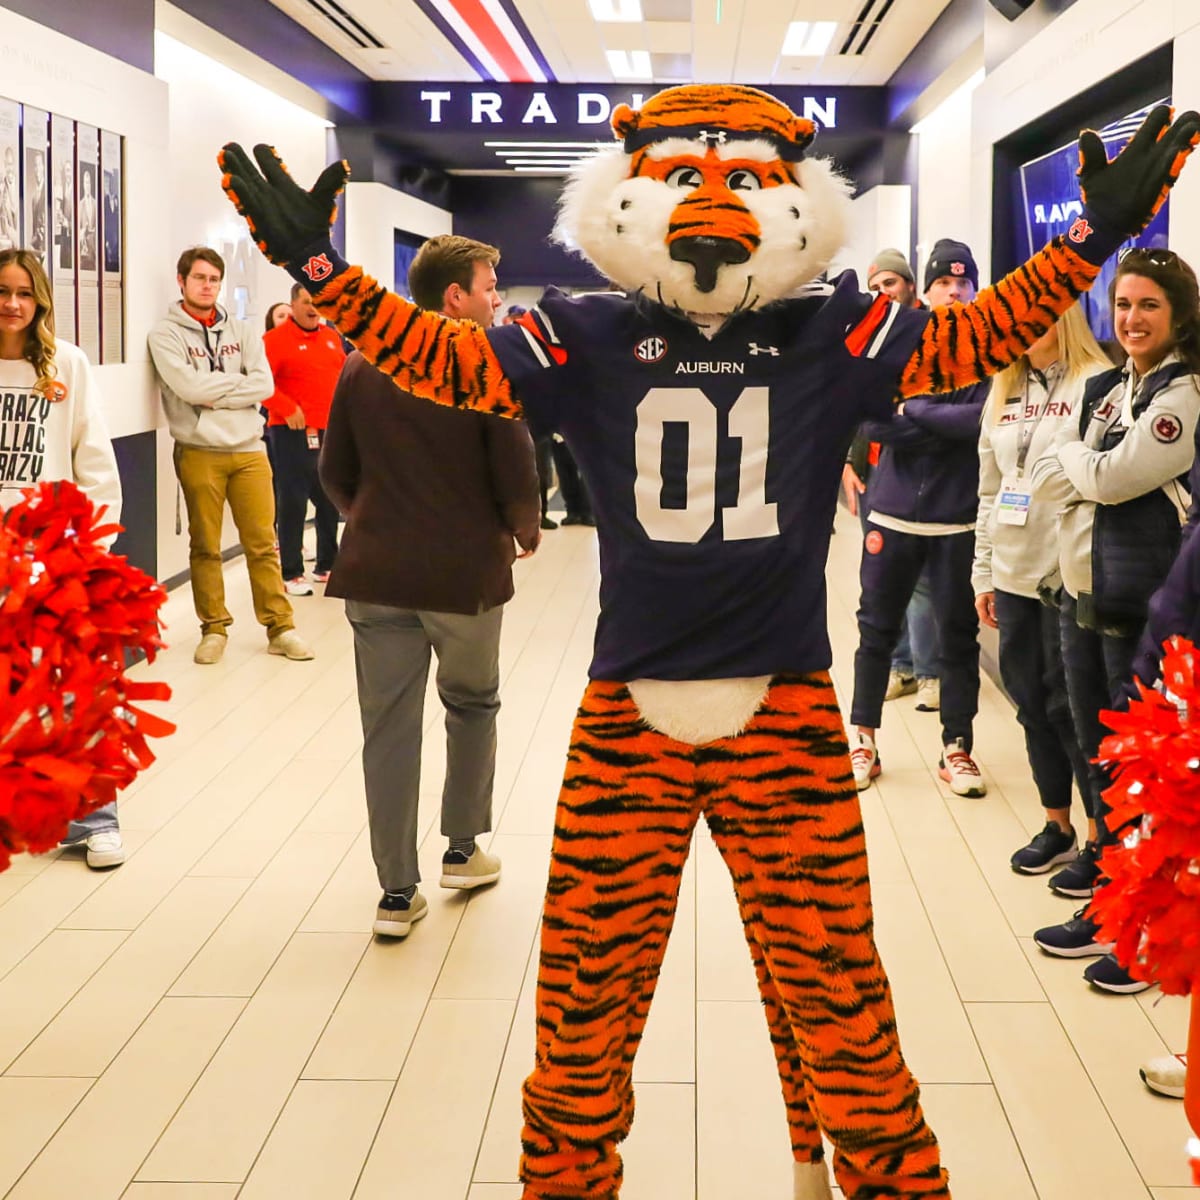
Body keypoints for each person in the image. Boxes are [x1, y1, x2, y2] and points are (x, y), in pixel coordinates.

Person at [221, 91, 1199, 1200]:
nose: (716, 210)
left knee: (842, 1013)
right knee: (585, 1022)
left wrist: (1088, 238)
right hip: (631, 712)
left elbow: (976, 337)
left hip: (778, 707)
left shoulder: (833, 327)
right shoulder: (586, 329)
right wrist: (324, 276)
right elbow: (448, 364)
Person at [320, 234, 540, 938]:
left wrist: (373, 522)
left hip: (376, 572)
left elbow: (335, 471)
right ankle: (462, 848)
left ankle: (394, 893)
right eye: (488, 287)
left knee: (386, 728)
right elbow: (514, 462)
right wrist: (524, 526)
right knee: (472, 702)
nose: (496, 297)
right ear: (456, 298)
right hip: (463, 575)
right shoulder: (480, 364)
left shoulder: (359, 364)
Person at [1030, 247, 1200, 994]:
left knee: (1145, 783)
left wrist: (1076, 465)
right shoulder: (1112, 386)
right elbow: (1049, 478)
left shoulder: (1186, 393)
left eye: (1148, 307)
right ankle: (1111, 904)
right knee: (1098, 754)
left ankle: (1144, 942)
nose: (1131, 319)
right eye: (1123, 305)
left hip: (1142, 605)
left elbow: (1115, 473)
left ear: (1180, 315)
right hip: (1081, 592)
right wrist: (1079, 468)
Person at [973, 303, 1113, 872]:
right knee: (1030, 701)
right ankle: (1056, 824)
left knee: (1072, 708)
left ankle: (1100, 836)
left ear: (1067, 318)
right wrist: (982, 572)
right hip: (1010, 572)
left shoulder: (1095, 382)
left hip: (1066, 575)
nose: (1027, 331)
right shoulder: (1002, 388)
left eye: (1040, 318)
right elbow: (991, 487)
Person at [849, 239, 991, 797]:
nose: (954, 292)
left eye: (963, 283)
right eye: (943, 284)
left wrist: (916, 411)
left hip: (958, 519)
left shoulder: (989, 352)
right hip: (892, 513)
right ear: (925, 292)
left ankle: (957, 748)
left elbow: (983, 421)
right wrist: (940, 424)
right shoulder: (897, 347)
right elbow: (873, 421)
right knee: (875, 631)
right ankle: (863, 739)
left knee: (958, 639)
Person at [0, 248, 125, 867]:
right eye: (2, 291)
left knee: (73, 690)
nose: (12, 304)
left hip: (51, 557)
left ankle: (94, 821)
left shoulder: (65, 364)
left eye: (25, 293)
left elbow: (94, 458)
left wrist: (92, 550)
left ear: (41, 300)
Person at [148, 246, 313, 664]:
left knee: (261, 543)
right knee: (205, 545)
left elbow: (261, 385)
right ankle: (214, 628)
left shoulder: (241, 331)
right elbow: (189, 390)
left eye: (214, 279)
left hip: (249, 451)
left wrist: (214, 393)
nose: (207, 286)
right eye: (200, 278)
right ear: (182, 281)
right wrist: (227, 390)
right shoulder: (165, 335)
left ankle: (280, 626)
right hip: (199, 450)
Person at [843, 248, 940, 709]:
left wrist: (903, 415)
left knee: (919, 580)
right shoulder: (867, 337)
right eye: (877, 286)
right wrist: (848, 459)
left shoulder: (925, 334)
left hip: (916, 471)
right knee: (881, 579)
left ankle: (929, 672)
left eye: (891, 283)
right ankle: (901, 668)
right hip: (873, 470)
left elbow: (932, 413)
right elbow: (853, 403)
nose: (884, 292)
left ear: (909, 287)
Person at [262, 283, 345, 593]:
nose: (313, 309)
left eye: (318, 303)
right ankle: (291, 572)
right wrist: (286, 408)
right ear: (293, 304)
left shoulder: (331, 338)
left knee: (328, 499)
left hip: (328, 430)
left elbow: (340, 379)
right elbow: (260, 383)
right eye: (307, 302)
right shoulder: (274, 340)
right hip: (290, 430)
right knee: (293, 501)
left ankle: (327, 565)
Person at [78, 167, 97, 272]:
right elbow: (78, 229)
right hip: (84, 252)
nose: (87, 185)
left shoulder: (95, 204)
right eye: (85, 183)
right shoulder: (80, 205)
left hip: (94, 251)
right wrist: (83, 231)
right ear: (83, 184)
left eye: (89, 183)